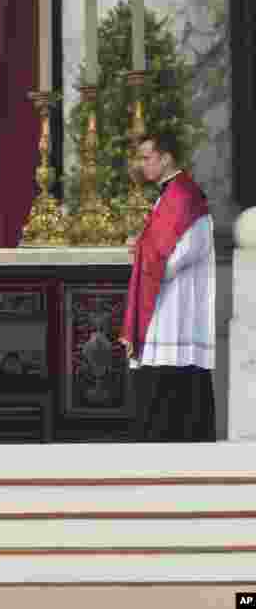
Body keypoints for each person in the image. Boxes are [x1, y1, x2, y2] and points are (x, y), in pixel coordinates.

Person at [119, 132, 215, 442]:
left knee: (173, 374)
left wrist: (145, 253)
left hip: (178, 303)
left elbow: (188, 247)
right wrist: (144, 247)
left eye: (147, 157)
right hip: (165, 300)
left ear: (166, 158)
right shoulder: (169, 194)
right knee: (160, 374)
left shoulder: (183, 196)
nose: (142, 165)